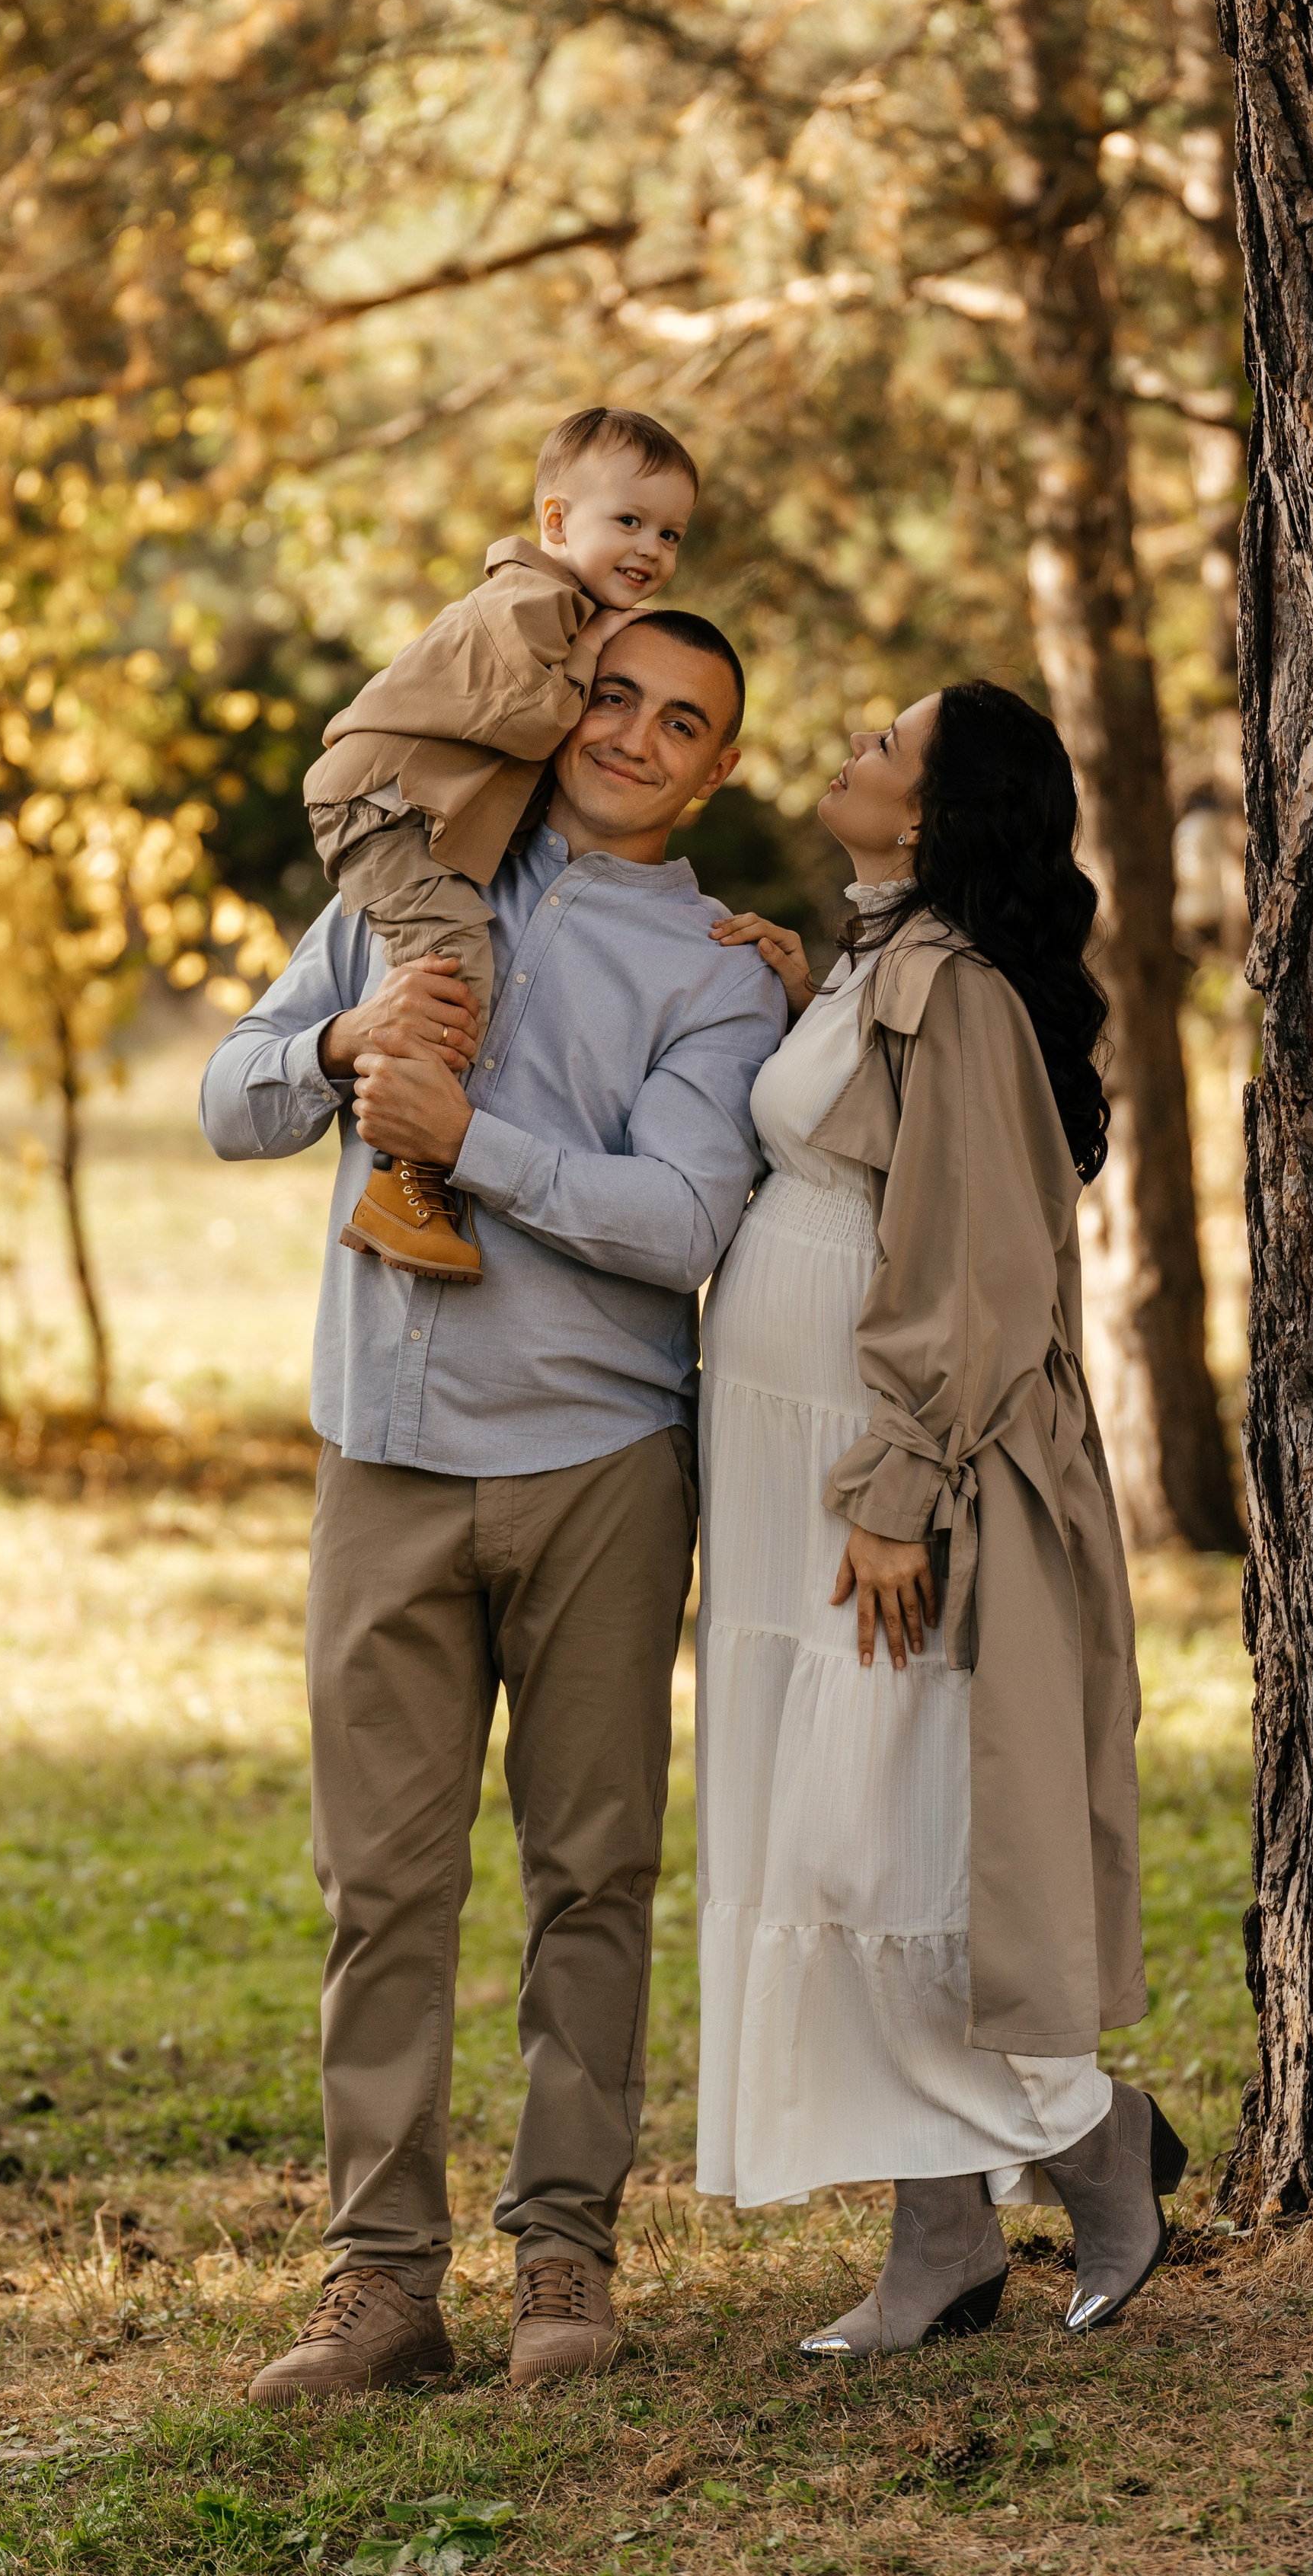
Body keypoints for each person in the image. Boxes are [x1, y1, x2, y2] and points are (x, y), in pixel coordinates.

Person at [202, 613, 786, 2399]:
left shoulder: (713, 971)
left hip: (599, 1466)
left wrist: (471, 1143)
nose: (632, 735)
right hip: (384, 1461)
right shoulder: (413, 885)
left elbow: (681, 1220)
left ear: (713, 770)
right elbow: (229, 1099)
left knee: (590, 1876)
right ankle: (380, 2284)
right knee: (379, 1888)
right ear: (562, 703)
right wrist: (341, 1043)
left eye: (678, 722)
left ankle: (562, 2257)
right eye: (613, 695)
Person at [698, 680, 1184, 2355]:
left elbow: (981, 1268)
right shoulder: (881, 964)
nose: (853, 748)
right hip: (791, 1473)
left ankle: (1096, 2145)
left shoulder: (955, 990)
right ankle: (943, 2246)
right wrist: (805, 1000)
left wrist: (898, 1492)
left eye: (885, 744)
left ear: (932, 810)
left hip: (884, 1465)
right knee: (840, 1838)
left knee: (879, 1842)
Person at [302, 407, 699, 1281]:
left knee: (453, 954)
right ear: (556, 521)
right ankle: (403, 1178)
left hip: (415, 805)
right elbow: (527, 724)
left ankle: (406, 1174)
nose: (650, 549)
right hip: (386, 804)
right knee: (450, 968)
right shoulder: (530, 604)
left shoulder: (561, 607)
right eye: (628, 521)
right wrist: (593, 654)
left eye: (669, 534)